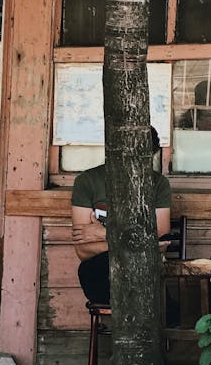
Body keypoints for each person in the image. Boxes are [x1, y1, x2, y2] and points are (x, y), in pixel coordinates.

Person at [72, 127, 171, 304]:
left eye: (144, 157)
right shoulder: (87, 181)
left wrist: (104, 234)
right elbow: (83, 250)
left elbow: (160, 242)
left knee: (146, 273)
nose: (135, 161)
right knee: (96, 269)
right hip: (102, 271)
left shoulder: (158, 183)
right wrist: (139, 244)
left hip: (144, 271)